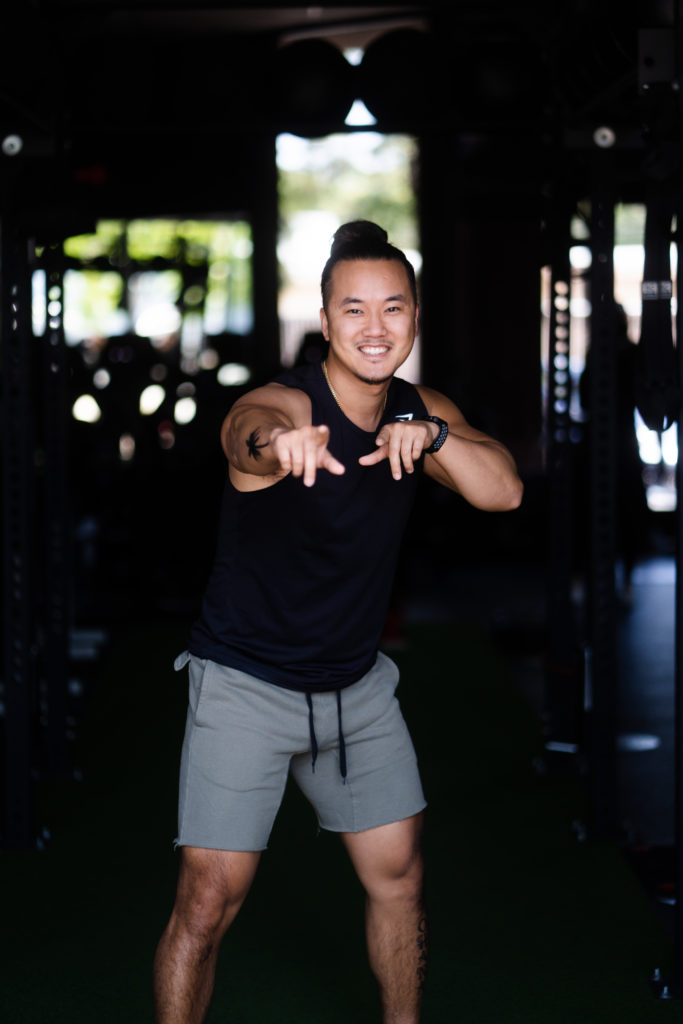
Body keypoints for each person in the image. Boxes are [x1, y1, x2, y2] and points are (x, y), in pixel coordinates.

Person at [153, 220, 523, 1023]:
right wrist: (280, 446)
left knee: (400, 878)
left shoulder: (419, 412)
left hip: (354, 691)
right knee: (208, 898)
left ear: (414, 317)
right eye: (353, 309)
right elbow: (244, 431)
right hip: (245, 683)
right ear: (324, 322)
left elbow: (502, 490)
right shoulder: (291, 402)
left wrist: (433, 436)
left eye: (393, 308)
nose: (374, 327)